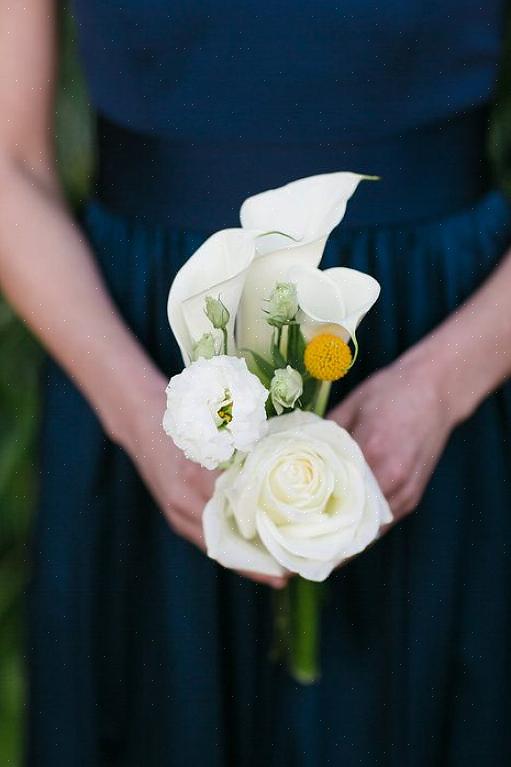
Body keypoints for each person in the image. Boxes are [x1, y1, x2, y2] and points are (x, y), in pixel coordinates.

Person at [0, 1, 510, 765]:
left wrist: (440, 385)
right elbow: (11, 164)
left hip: (449, 346)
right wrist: (144, 415)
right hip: (136, 363)